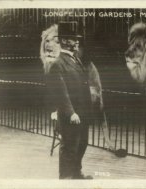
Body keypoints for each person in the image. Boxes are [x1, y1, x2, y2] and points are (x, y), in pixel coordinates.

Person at [45, 22, 93, 179]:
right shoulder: (57, 64)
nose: (77, 41)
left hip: (83, 113)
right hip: (71, 116)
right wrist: (71, 113)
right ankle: (66, 178)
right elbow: (61, 93)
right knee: (69, 147)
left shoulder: (75, 60)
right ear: (65, 41)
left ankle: (76, 173)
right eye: (74, 39)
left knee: (82, 144)